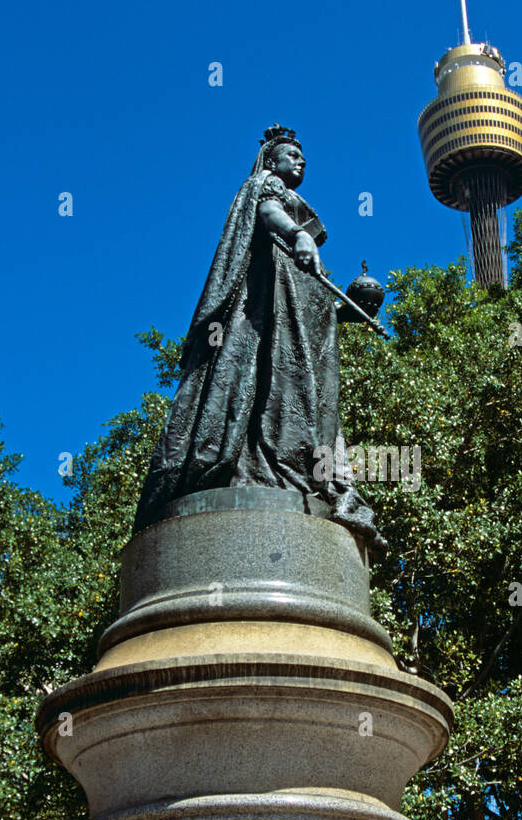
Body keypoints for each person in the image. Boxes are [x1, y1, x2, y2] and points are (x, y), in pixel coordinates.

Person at [132, 125, 387, 555]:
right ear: (271, 161)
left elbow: (308, 317)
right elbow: (268, 212)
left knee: (289, 394)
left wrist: (350, 310)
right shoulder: (265, 188)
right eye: (291, 155)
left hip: (282, 336)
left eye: (303, 156)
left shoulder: (291, 262)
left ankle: (282, 467)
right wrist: (298, 233)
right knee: (252, 387)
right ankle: (251, 463)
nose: (300, 161)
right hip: (253, 327)